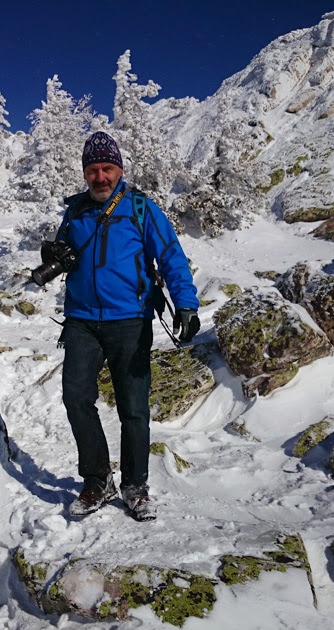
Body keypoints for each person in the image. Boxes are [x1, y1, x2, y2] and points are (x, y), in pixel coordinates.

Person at [47, 131, 200, 521]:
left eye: (107, 169)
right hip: (81, 322)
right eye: (93, 170)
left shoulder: (140, 208)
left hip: (129, 322)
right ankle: (98, 480)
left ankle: (135, 486)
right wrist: (52, 252)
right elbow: (66, 252)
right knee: (76, 399)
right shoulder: (76, 211)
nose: (100, 177)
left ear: (120, 170)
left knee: (133, 408)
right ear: (85, 173)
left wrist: (185, 304)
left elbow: (171, 256)